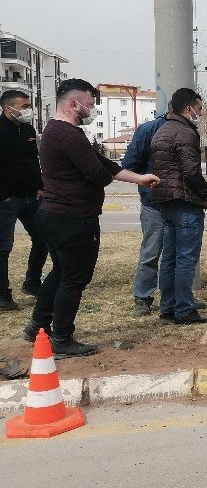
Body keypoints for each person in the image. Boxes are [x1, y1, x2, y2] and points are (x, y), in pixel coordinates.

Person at [24, 79, 159, 357]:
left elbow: (105, 165)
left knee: (61, 271)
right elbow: (99, 174)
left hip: (56, 215)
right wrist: (106, 177)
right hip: (73, 218)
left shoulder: (59, 131)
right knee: (74, 278)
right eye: (91, 103)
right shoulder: (68, 135)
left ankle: (37, 326)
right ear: (74, 104)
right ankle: (61, 338)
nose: (93, 108)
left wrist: (139, 179)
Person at [148, 88, 207, 324]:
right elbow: (191, 171)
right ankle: (184, 309)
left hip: (165, 201)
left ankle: (167, 308)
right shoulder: (185, 133)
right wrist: (206, 193)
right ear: (188, 108)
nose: (200, 113)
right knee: (185, 258)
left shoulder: (161, 130)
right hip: (185, 202)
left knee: (170, 257)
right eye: (199, 108)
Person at [0, 89, 48, 311]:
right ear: (7, 108)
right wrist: (5, 196)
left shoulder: (28, 129)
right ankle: (3, 295)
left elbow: (33, 160)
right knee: (3, 248)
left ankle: (32, 282)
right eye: (24, 107)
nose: (28, 110)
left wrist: (40, 186)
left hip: (32, 196)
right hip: (7, 200)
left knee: (43, 239)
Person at [120, 112, 167, 316]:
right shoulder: (150, 129)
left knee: (177, 254)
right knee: (151, 252)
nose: (198, 114)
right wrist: (147, 180)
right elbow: (130, 164)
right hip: (154, 203)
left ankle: (176, 297)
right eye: (197, 109)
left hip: (180, 204)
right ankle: (142, 297)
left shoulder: (188, 130)